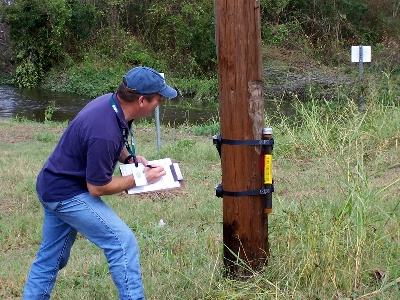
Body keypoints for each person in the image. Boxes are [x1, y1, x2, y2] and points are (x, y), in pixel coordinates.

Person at [22, 66, 178, 300]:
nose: (161, 103)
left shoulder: (111, 104)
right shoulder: (104, 132)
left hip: (51, 184)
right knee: (122, 243)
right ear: (142, 100)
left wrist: (129, 158)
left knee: (52, 258)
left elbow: (115, 141)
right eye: (159, 99)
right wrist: (141, 178)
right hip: (67, 194)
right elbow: (97, 187)